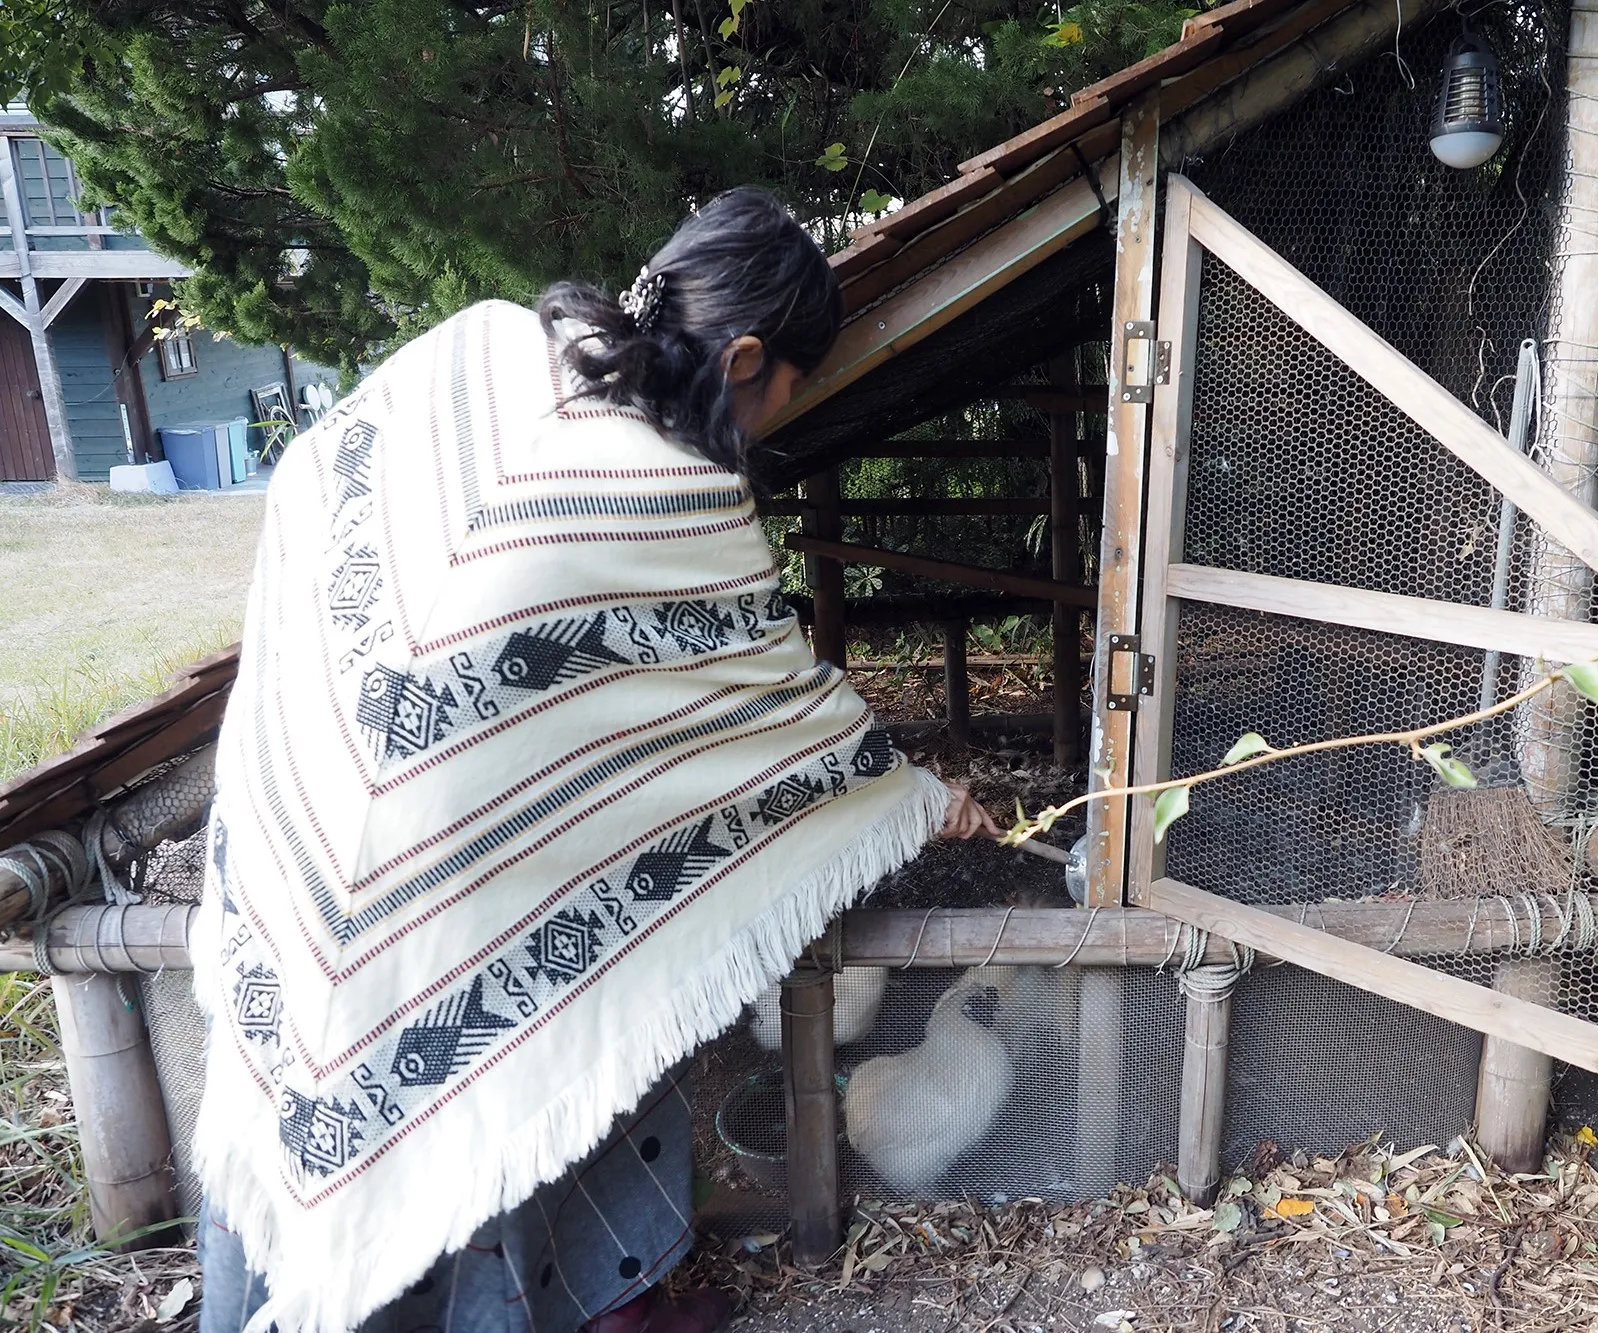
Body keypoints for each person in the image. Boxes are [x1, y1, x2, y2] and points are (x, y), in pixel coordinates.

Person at [194, 188, 999, 1333]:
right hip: (415, 852)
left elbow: (319, 478)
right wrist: (912, 795)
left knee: (593, 956)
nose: (775, 420)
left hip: (306, 812)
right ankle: (573, 1303)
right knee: (549, 1020)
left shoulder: (481, 352)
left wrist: (332, 710)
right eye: (787, 393)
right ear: (748, 356)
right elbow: (774, 710)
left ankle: (614, 1292)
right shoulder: (675, 489)